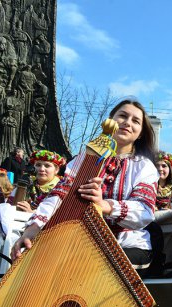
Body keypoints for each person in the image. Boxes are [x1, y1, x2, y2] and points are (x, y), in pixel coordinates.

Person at [11, 99, 159, 277]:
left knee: (85, 266)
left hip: (128, 244)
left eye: (135, 121)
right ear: (110, 122)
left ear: (141, 133)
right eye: (122, 116)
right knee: (36, 260)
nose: (127, 122)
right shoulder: (85, 159)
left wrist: (105, 206)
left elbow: (144, 210)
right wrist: (33, 228)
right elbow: (59, 195)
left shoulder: (143, 166)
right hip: (80, 240)